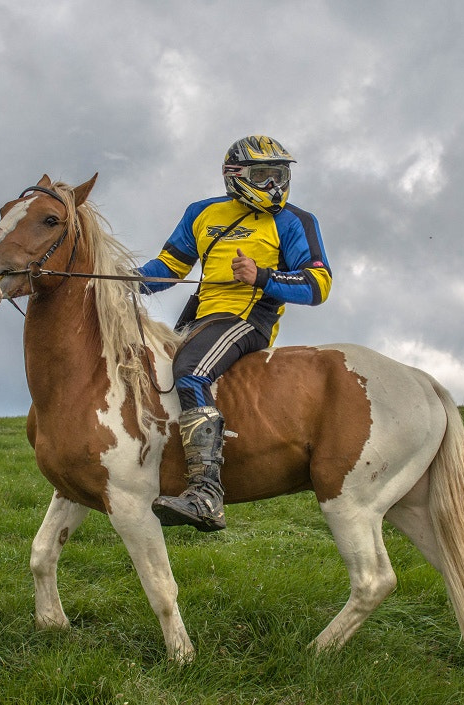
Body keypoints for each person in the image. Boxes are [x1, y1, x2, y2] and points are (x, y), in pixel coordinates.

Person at [136, 135, 332, 532]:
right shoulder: (201, 213)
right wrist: (126, 281)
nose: (275, 184)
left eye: (280, 174)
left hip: (248, 320)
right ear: (236, 175)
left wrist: (261, 277)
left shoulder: (295, 220)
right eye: (264, 175)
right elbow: (171, 265)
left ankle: (206, 494)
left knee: (190, 372)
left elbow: (318, 285)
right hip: (200, 318)